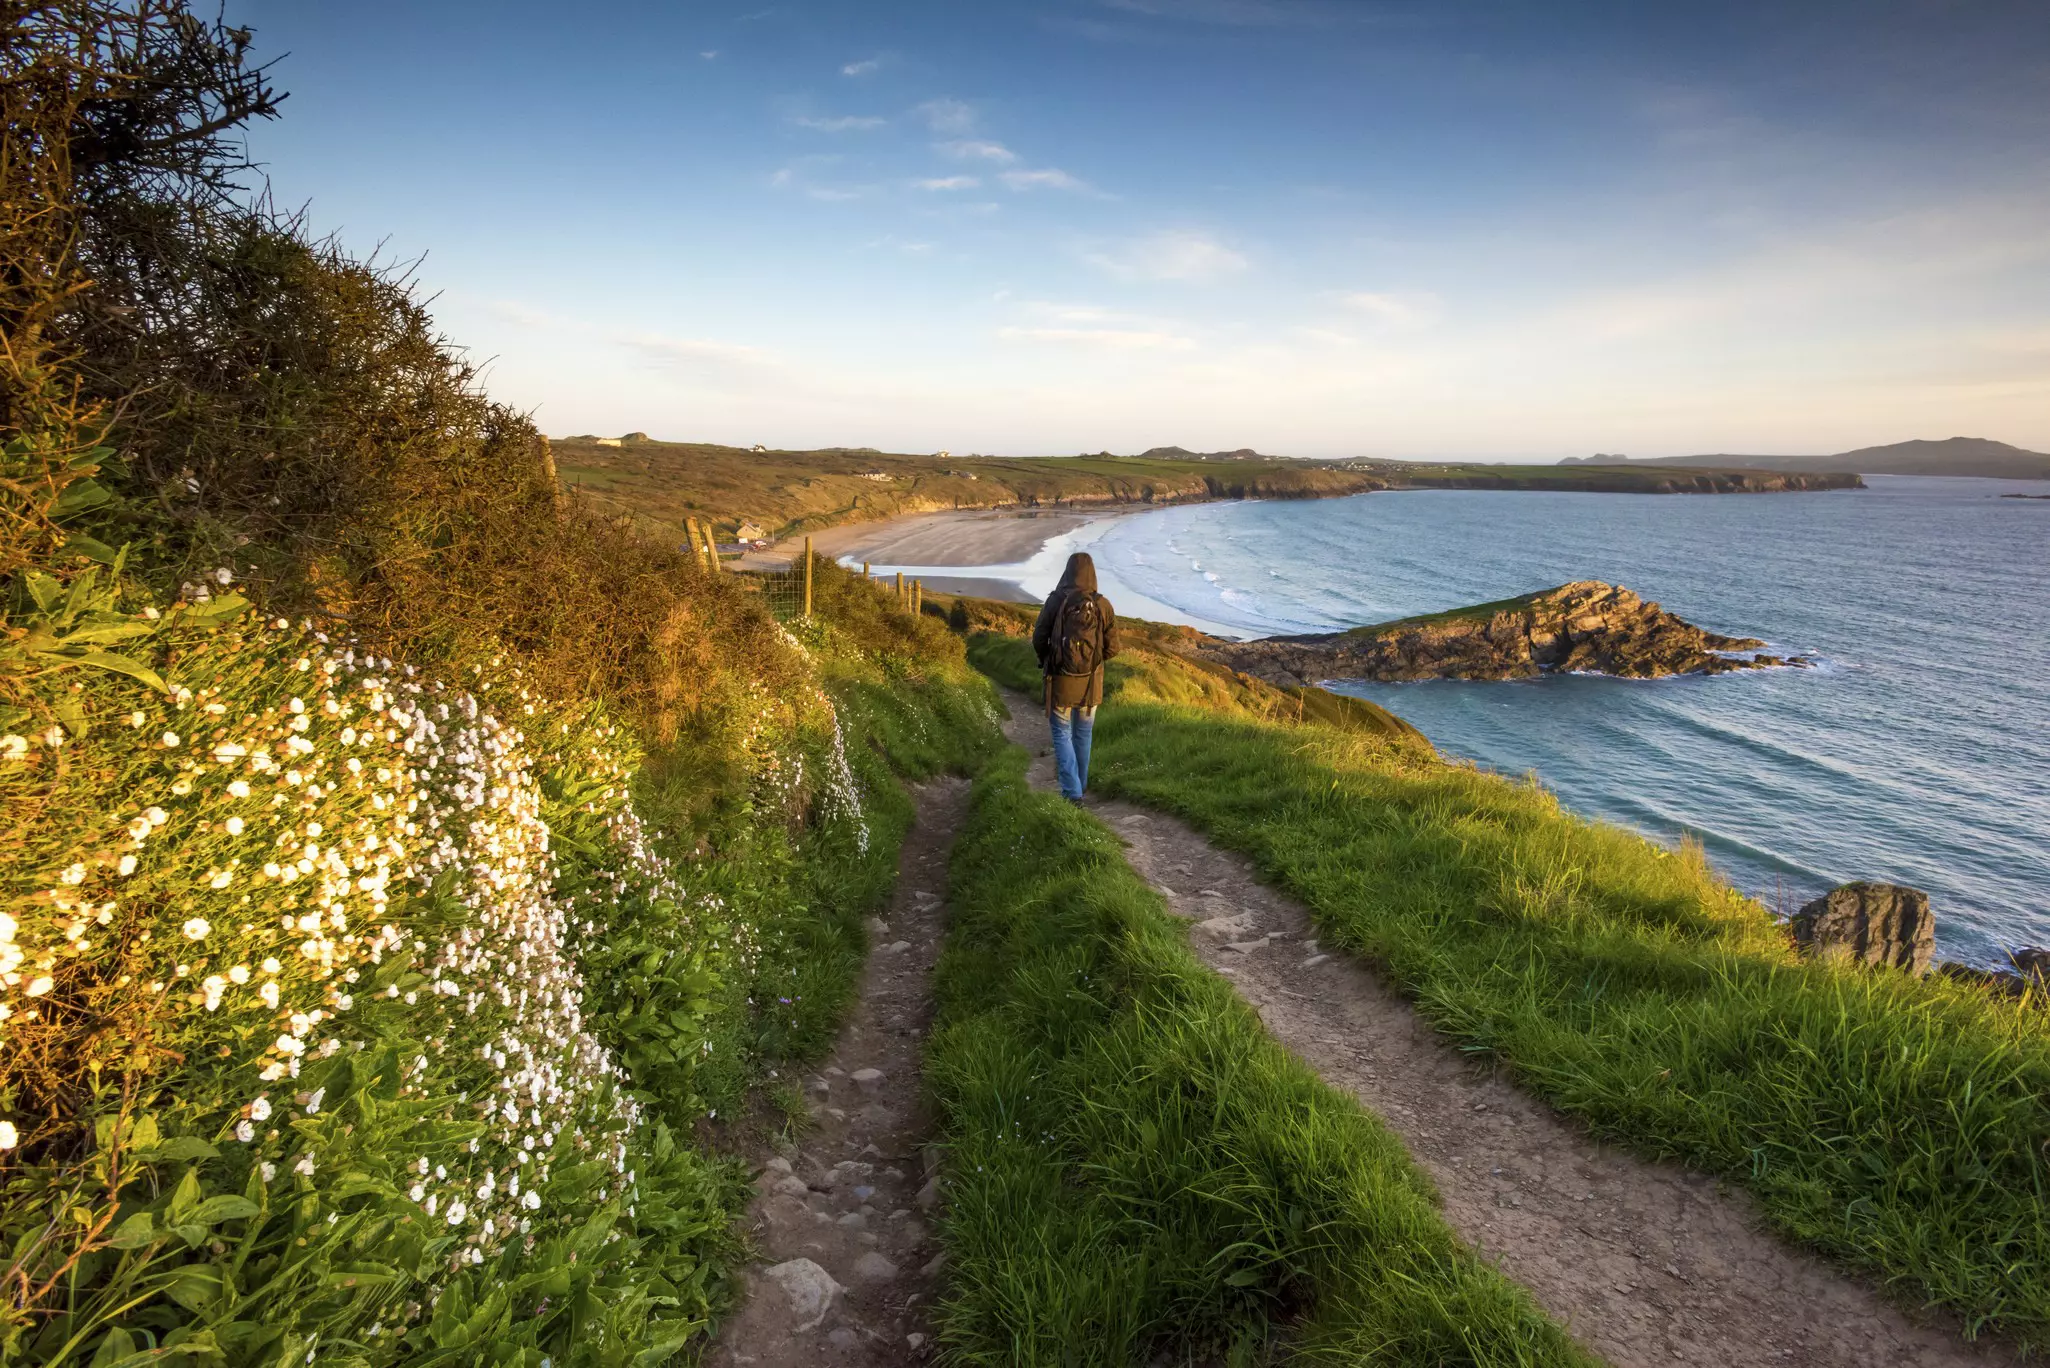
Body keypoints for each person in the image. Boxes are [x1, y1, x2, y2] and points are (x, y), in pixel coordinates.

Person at [1031, 551, 1119, 802]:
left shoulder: (1055, 601)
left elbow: (1038, 638)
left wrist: (1048, 659)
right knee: (1083, 734)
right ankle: (1079, 787)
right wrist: (1094, 662)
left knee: (1061, 733)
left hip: (1060, 679)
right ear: (1092, 573)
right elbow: (1114, 648)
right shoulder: (1102, 604)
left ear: (1067, 572)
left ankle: (1072, 793)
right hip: (1092, 683)